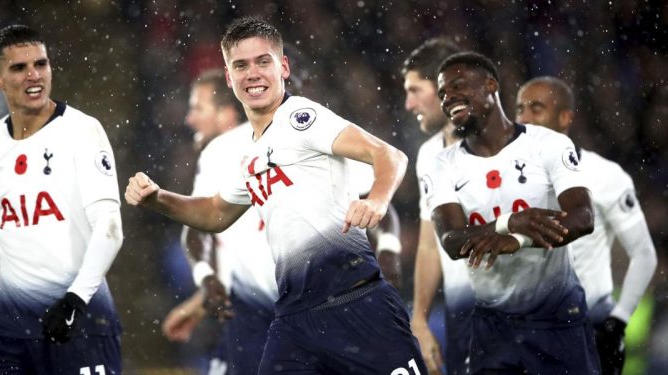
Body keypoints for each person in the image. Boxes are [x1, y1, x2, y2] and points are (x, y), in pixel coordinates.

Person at [126, 16, 426, 375]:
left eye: (262, 62)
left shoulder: (302, 117)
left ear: (283, 67)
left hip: (354, 302)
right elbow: (215, 214)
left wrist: (377, 199)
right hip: (294, 320)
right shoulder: (250, 155)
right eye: (241, 65)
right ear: (229, 77)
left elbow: (390, 155)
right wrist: (157, 198)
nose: (252, 73)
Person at [0, 25, 124, 374]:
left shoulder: (82, 131)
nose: (34, 75)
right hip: (8, 329)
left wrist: (75, 299)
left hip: (81, 322)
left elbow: (110, 227)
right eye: (19, 67)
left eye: (41, 64)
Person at [426, 51, 600, 374]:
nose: (449, 98)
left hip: (557, 317)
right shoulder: (441, 164)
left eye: (458, 85)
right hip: (492, 327)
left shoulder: (549, 144)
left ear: (491, 84)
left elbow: (583, 218)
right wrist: (508, 222)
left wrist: (518, 239)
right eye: (442, 94)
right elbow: (451, 241)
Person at [515, 76, 658, 375]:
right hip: (525, 329)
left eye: (536, 108)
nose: (524, 118)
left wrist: (617, 322)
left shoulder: (604, 175)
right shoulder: (505, 179)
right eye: (519, 109)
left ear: (566, 117)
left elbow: (644, 254)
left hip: (589, 327)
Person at [163, 69, 278, 375]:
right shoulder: (283, 139)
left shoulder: (221, 151)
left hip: (257, 318)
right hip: (288, 308)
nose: (190, 119)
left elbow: (197, 232)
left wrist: (204, 278)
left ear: (227, 115)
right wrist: (203, 299)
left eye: (198, 108)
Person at [403, 38, 474, 375]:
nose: (408, 103)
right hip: (463, 317)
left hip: (522, 312)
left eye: (416, 90)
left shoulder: (507, 144)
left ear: (445, 86)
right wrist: (419, 319)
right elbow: (430, 245)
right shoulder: (428, 155)